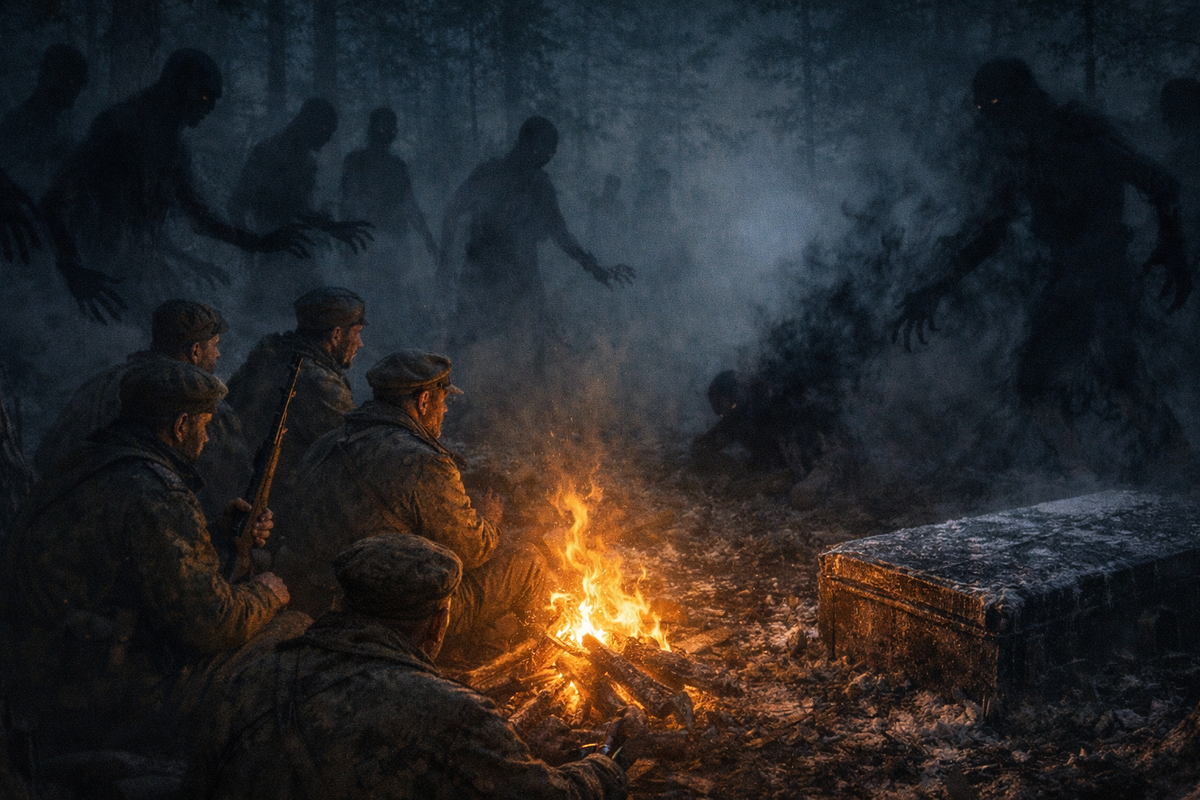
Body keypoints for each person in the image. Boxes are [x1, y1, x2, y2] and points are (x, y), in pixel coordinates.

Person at [892, 57, 1194, 482]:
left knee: (1114, 375)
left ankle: (1173, 472)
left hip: (1103, 275)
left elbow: (1162, 183)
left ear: (1025, 95)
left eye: (995, 104)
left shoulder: (1080, 132)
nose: (991, 118)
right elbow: (996, 227)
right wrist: (939, 285)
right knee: (1045, 384)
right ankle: (1089, 485)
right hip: (1072, 279)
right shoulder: (1024, 149)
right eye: (983, 109)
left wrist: (1172, 247)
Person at [182, 534, 629, 800]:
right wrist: (609, 761)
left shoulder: (252, 674)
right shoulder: (444, 710)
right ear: (439, 624)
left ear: (340, 604)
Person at [0, 359, 295, 757]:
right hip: (87, 693)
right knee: (290, 634)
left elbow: (134, 554)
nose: (207, 438)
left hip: (35, 667)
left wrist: (217, 535)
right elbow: (212, 623)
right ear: (180, 426)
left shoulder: (88, 459)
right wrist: (266, 594)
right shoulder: (158, 492)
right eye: (204, 425)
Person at [273, 350, 549, 663]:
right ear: (422, 402)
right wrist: (488, 519)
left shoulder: (328, 443)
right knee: (528, 562)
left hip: (310, 598)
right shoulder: (423, 462)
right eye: (443, 400)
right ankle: (491, 665)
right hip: (385, 618)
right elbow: (473, 550)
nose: (444, 410)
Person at [39, 48, 312, 322]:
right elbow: (54, 201)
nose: (209, 108)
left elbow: (198, 217)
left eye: (213, 99)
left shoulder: (174, 148)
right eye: (204, 97)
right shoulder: (118, 127)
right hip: (96, 276)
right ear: (178, 88)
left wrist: (258, 242)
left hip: (135, 272)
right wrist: (72, 266)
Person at [438, 116, 634, 382]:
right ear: (527, 143)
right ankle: (448, 397)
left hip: (523, 275)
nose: (550, 155)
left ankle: (527, 402)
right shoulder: (489, 175)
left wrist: (592, 266)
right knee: (466, 340)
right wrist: (445, 262)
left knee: (533, 341)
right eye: (546, 147)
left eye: (553, 150)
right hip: (484, 273)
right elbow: (451, 212)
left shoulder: (539, 184)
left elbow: (559, 231)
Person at [34, 299, 252, 534]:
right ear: (196, 351)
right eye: (215, 345)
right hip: (152, 542)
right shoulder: (201, 409)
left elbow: (45, 460)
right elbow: (236, 491)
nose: (218, 354)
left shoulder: (97, 386)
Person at [225, 287, 365, 502]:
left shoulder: (272, 357)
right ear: (336, 334)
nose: (360, 342)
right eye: (357, 333)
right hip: (272, 502)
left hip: (234, 489)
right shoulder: (317, 381)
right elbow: (354, 454)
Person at [229, 99, 372, 307]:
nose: (327, 137)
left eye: (331, 131)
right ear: (306, 121)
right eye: (324, 128)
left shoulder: (306, 161)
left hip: (295, 258)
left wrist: (331, 226)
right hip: (276, 258)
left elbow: (299, 209)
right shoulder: (269, 152)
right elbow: (238, 204)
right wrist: (249, 244)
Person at [0, 44, 88, 197]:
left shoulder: (68, 123)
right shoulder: (17, 123)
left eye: (79, 83)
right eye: (72, 81)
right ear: (52, 78)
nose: (76, 90)